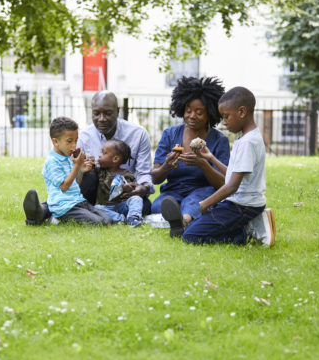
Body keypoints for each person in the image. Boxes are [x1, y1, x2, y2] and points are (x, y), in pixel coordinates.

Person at [161, 86, 276, 246]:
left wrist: (205, 203)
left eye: (226, 116)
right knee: (197, 225)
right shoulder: (247, 137)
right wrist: (210, 158)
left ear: (242, 112)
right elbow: (233, 174)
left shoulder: (247, 143)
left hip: (242, 206)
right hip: (244, 203)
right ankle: (246, 224)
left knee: (191, 236)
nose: (224, 121)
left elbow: (232, 186)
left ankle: (247, 232)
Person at [23, 91, 153, 224]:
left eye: (107, 113)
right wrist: (83, 166)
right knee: (89, 177)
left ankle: (122, 216)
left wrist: (144, 188)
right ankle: (43, 210)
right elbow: (71, 177)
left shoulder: (138, 134)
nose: (101, 118)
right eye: (96, 113)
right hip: (93, 196)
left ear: (117, 111)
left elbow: (144, 172)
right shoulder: (83, 137)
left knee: (146, 206)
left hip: (125, 194)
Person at [151, 76, 230, 227]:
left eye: (199, 112)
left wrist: (203, 164)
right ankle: (185, 216)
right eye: (188, 111)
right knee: (157, 206)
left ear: (210, 113)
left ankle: (184, 219)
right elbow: (155, 178)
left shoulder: (220, 140)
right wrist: (167, 166)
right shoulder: (170, 134)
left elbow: (223, 184)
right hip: (173, 191)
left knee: (194, 202)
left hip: (204, 191)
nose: (192, 116)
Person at [40, 116, 111, 226]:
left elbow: (75, 184)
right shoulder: (52, 162)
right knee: (99, 223)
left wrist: (81, 171)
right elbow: (64, 186)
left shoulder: (68, 157)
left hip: (78, 201)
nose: (74, 146)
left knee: (107, 220)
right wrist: (77, 166)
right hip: (64, 207)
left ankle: (57, 219)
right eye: (69, 141)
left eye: (76, 141)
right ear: (55, 142)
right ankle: (56, 218)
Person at [87, 139, 144, 227]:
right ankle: (121, 219)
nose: (99, 155)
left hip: (121, 205)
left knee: (136, 199)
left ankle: (134, 218)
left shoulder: (126, 174)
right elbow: (89, 167)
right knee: (97, 208)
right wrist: (89, 160)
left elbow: (127, 190)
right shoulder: (100, 171)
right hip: (105, 207)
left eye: (103, 153)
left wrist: (125, 188)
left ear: (115, 159)